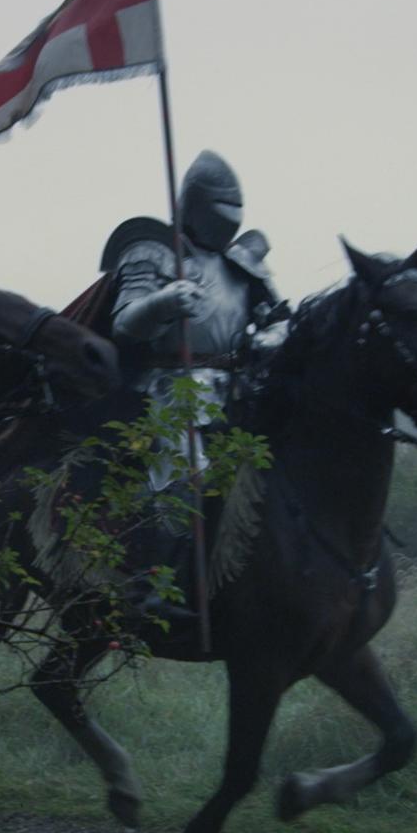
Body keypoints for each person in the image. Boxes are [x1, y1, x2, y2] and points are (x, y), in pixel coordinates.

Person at [96, 151, 289, 615]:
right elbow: (125, 322)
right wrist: (162, 302)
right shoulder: (154, 250)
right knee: (183, 473)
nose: (230, 222)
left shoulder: (246, 264)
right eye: (221, 209)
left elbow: (281, 320)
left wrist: (273, 335)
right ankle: (152, 587)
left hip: (236, 390)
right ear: (196, 205)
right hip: (165, 387)